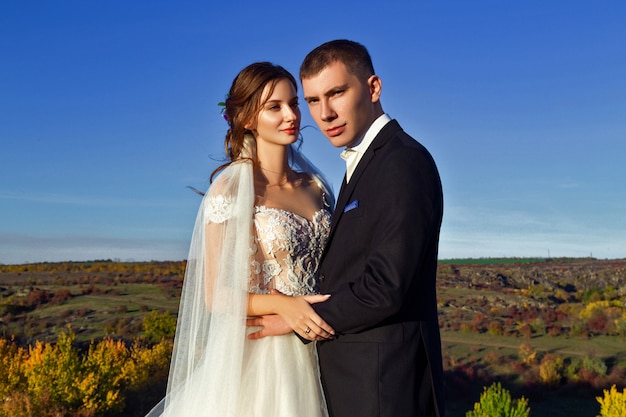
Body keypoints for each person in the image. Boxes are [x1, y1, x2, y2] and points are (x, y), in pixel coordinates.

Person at [249, 40, 446, 417]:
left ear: (373, 88)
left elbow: (385, 288)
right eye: (312, 100)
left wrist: (296, 320)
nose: (324, 113)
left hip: (384, 385)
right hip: (352, 381)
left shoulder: (401, 163)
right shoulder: (364, 164)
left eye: (337, 93)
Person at [146, 62, 335, 417]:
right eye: (274, 107)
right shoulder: (230, 190)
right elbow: (216, 295)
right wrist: (284, 305)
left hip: (324, 338)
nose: (291, 114)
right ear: (247, 119)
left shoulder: (317, 188)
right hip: (265, 355)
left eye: (293, 103)